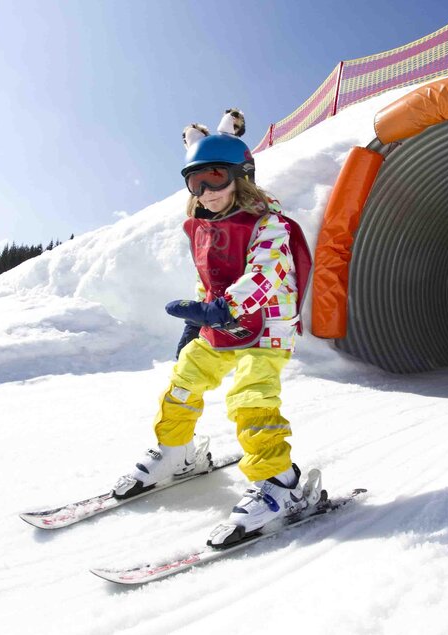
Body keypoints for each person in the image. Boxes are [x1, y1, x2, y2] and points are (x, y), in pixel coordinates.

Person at [114, 109, 312, 548]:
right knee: (185, 378)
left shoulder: (269, 225)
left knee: (250, 398)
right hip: (222, 326)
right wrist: (198, 317)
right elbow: (209, 280)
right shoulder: (203, 228)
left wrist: (222, 308)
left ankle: (282, 483)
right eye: (195, 182)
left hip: (266, 330)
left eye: (215, 178)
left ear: (242, 177)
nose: (204, 191)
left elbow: (265, 276)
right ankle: (177, 452)